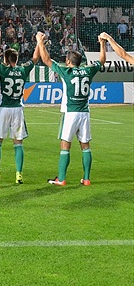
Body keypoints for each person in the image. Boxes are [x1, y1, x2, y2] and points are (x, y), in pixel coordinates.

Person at [36, 31, 106, 186]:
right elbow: (102, 61)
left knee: (65, 145)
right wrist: (102, 44)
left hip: (70, 113)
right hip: (85, 113)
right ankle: (86, 178)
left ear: (68, 61)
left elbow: (46, 60)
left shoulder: (66, 71)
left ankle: (61, 179)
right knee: (85, 146)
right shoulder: (88, 70)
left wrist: (39, 41)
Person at [0, 41, 40, 184]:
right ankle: (18, 174)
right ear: (16, 59)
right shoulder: (23, 70)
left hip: (4, 109)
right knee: (18, 143)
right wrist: (39, 42)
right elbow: (35, 58)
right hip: (17, 109)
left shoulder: (3, 70)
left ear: (5, 59)